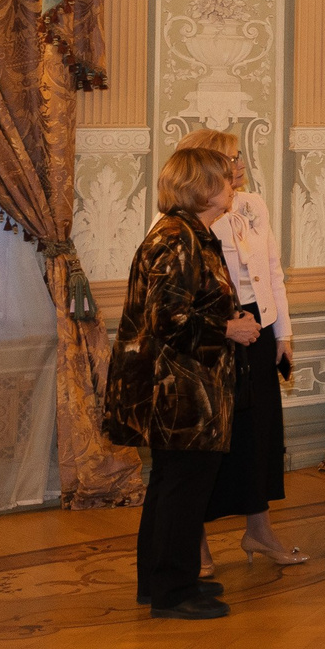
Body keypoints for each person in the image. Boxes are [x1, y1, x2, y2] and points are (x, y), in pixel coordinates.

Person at [102, 145, 260, 620]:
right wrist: (228, 328)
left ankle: (161, 581)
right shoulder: (176, 239)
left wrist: (222, 316)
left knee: (171, 485)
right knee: (182, 489)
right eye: (226, 178)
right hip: (176, 389)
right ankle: (173, 592)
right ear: (205, 188)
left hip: (185, 385)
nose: (234, 184)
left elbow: (187, 305)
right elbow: (166, 318)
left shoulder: (192, 234)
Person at [172, 129, 304, 572]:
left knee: (259, 436)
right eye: (229, 158)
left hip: (258, 326)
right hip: (216, 332)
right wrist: (227, 328)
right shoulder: (181, 221)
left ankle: (259, 530)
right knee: (212, 441)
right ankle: (197, 542)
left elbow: (272, 270)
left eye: (238, 156)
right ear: (205, 168)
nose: (239, 164)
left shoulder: (253, 205)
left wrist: (282, 334)